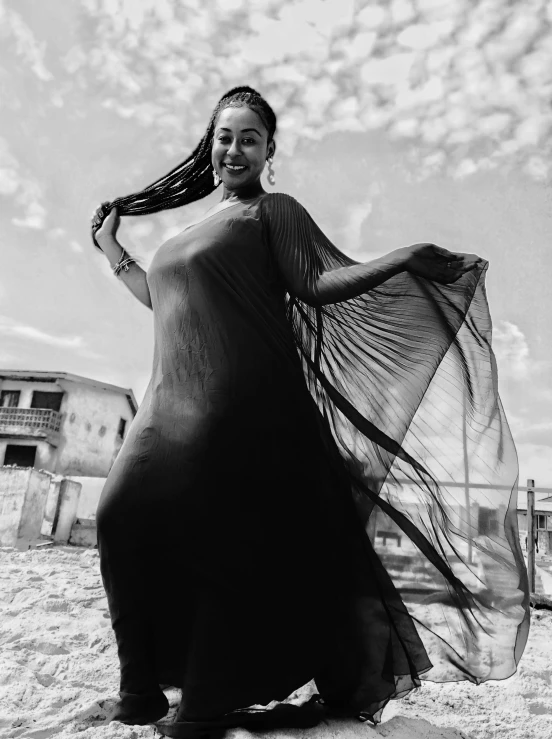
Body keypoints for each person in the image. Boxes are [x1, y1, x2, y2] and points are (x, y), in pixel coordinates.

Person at [91, 86, 529, 738]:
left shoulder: (272, 213)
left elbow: (318, 283)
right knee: (117, 517)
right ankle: (140, 689)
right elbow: (162, 298)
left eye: (248, 137)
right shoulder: (187, 234)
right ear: (209, 147)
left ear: (269, 151)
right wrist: (111, 247)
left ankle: (205, 701)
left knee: (221, 546)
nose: (233, 147)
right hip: (166, 406)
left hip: (241, 407)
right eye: (224, 136)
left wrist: (402, 258)